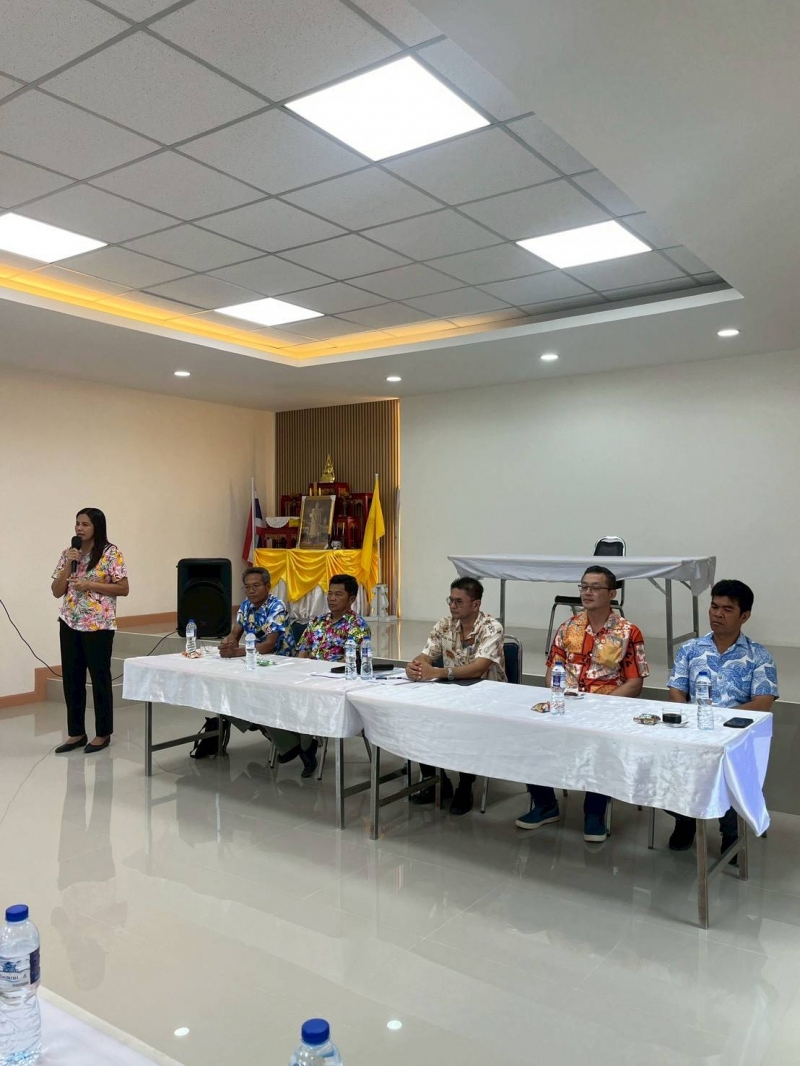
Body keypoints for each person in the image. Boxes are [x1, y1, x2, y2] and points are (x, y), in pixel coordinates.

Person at [515, 565, 649, 842]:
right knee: (529, 732)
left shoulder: (628, 632)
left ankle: (594, 812)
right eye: (584, 586)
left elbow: (634, 683)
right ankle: (545, 803)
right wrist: (561, 697)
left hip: (607, 708)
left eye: (595, 587)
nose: (587, 592)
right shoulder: (568, 628)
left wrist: (599, 706)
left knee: (600, 740)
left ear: (611, 594)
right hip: (568, 703)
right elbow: (552, 671)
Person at [666, 579, 778, 855]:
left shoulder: (759, 656)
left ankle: (731, 834)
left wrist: (718, 720)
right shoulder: (691, 649)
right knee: (663, 758)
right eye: (714, 607)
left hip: (735, 734)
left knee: (731, 770)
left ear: (744, 616)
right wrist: (690, 717)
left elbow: (763, 704)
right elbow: (677, 690)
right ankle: (685, 819)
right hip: (693, 729)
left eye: (727, 609)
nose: (717, 614)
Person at [405, 577, 506, 816]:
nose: (452, 606)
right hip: (450, 691)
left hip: (487, 695)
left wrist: (438, 672)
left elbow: (479, 668)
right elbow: (426, 655)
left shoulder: (491, 627)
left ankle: (465, 785)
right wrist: (415, 666)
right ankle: (434, 779)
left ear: (476, 604)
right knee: (417, 716)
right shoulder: (444, 624)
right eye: (450, 600)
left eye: (459, 601)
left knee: (465, 724)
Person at [51, 508, 129, 754]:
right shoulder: (69, 553)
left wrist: (90, 584)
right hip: (70, 622)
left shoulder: (111, 553)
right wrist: (69, 565)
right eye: (77, 523)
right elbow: (56, 590)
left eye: (85, 524)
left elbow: (123, 588)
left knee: (99, 678)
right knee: (72, 679)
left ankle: (103, 733)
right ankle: (76, 733)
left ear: (97, 527)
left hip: (98, 624)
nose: (79, 528)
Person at [293, 574, 371, 775]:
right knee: (279, 694)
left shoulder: (357, 626)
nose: (332, 598)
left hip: (334, 683)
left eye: (338, 594)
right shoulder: (317, 621)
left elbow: (350, 663)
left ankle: (302, 744)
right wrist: (300, 670)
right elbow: (302, 651)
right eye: (330, 593)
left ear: (351, 599)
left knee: (304, 699)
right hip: (308, 677)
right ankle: (293, 743)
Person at [220, 567, 294, 659]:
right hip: (255, 657)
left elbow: (269, 644)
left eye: (256, 586)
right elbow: (234, 634)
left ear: (268, 587)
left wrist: (236, 652)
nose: (251, 591)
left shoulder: (276, 606)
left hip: (280, 658)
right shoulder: (246, 605)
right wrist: (227, 644)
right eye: (247, 587)